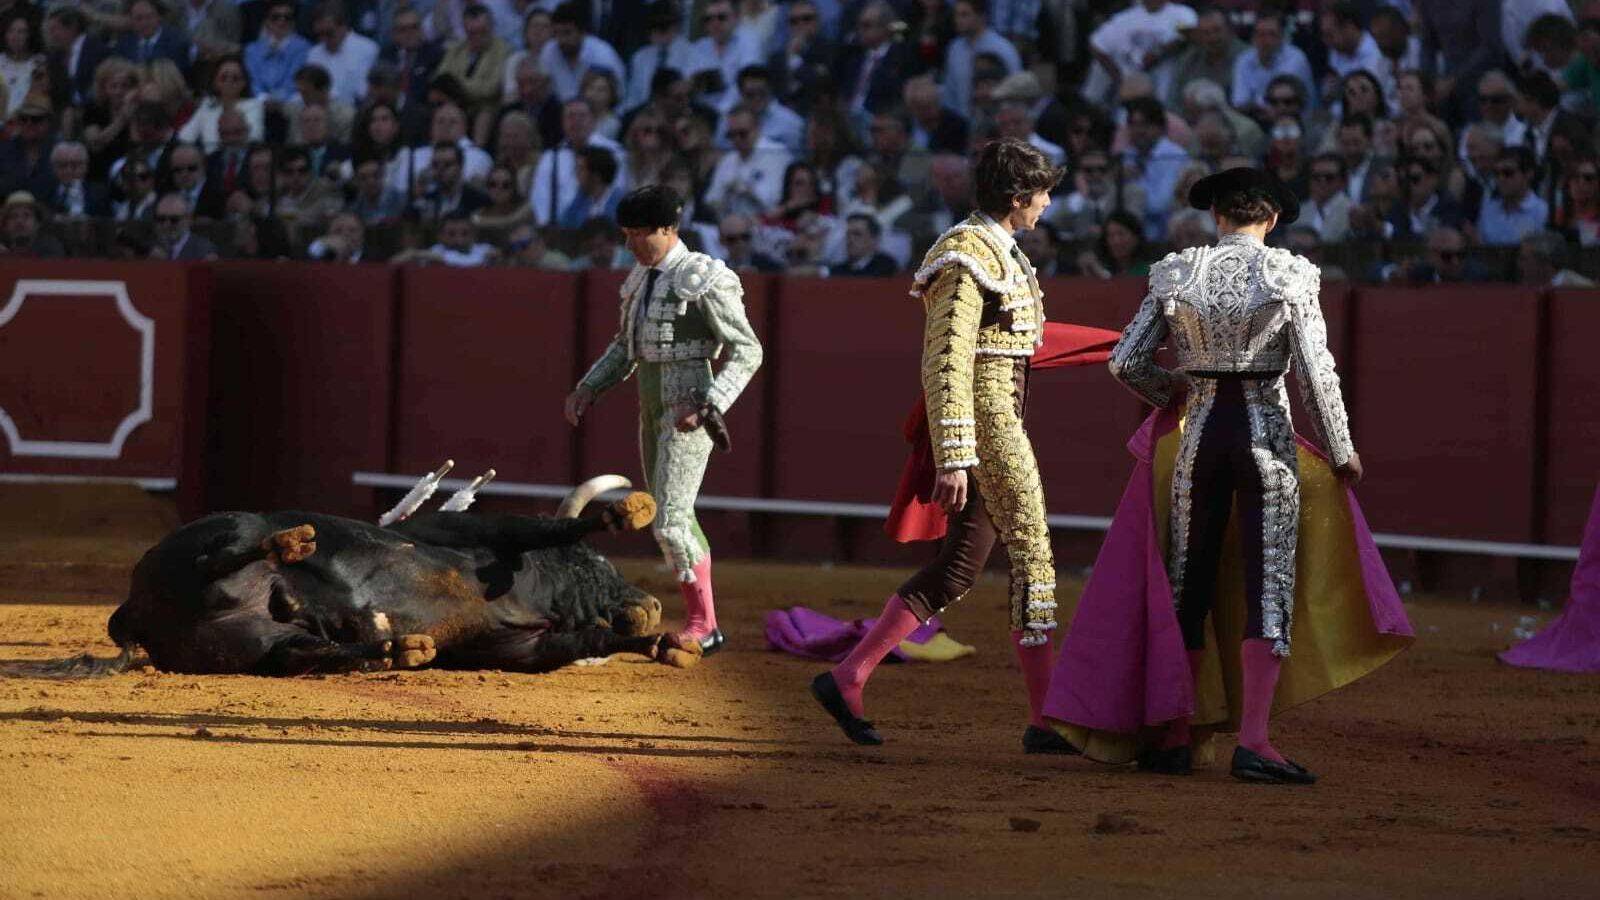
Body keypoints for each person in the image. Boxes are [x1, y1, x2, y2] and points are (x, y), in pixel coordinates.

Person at [1093, 167, 1381, 785]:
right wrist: (1342, 448)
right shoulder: (1289, 273)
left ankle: (1173, 734)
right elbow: (1314, 371)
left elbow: (1124, 361)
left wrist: (1171, 389)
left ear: (1217, 217)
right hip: (1264, 440)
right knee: (1267, 582)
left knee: (1187, 587)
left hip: (1199, 440)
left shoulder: (1179, 271)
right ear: (1271, 220)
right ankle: (1253, 741)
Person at [808, 138, 1069, 752]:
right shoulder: (965, 253)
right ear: (1017, 197)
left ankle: (848, 676)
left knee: (958, 569)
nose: (1049, 203)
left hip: (997, 416)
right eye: (1043, 192)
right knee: (1033, 553)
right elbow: (945, 360)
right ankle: (1046, 718)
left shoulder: (995, 251)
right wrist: (955, 453)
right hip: (988, 423)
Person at [564, 185, 764, 657]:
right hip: (652, 407)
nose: (630, 245)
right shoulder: (639, 278)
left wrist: (710, 403)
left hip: (685, 408)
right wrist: (589, 387)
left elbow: (749, 349)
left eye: (639, 235)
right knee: (671, 514)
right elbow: (625, 349)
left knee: (671, 520)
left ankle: (705, 625)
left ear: (668, 229)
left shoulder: (703, 277)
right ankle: (705, 621)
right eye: (627, 234)